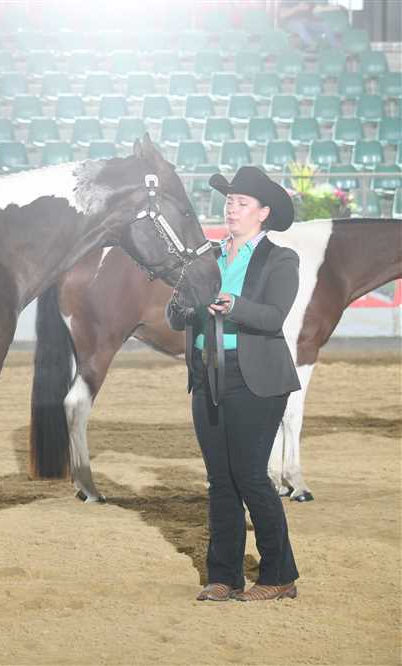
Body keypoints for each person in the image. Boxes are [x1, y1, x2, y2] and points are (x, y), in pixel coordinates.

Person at [167, 166, 301, 602]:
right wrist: (186, 306)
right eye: (229, 201)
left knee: (250, 476)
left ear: (263, 213)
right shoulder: (205, 256)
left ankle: (279, 576)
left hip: (255, 379)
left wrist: (234, 305)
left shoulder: (281, 259)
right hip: (207, 374)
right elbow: (175, 316)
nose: (232, 208)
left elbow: (273, 317)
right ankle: (224, 576)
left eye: (242, 203)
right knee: (220, 481)